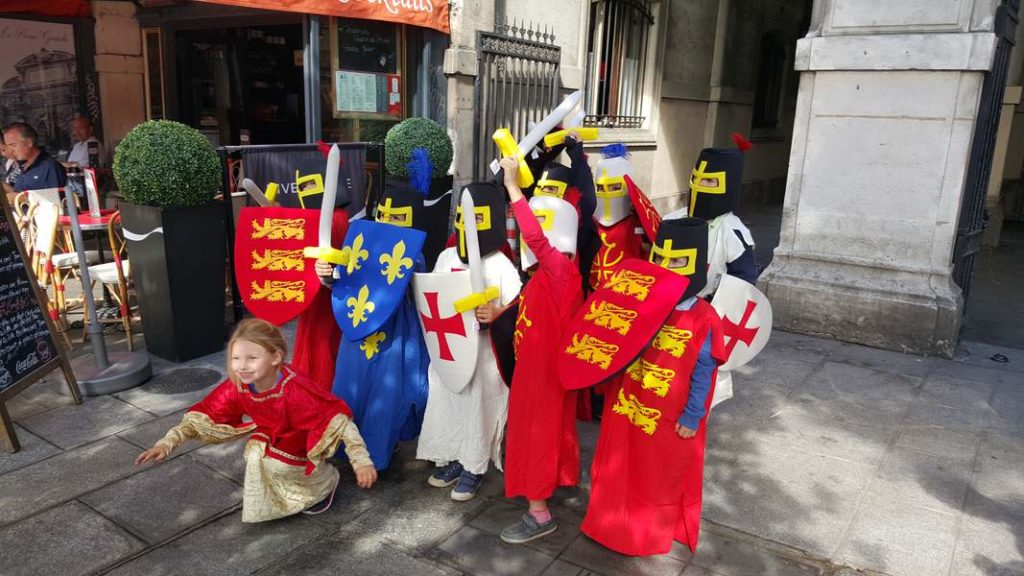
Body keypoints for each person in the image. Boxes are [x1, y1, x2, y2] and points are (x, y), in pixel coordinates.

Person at [579, 217, 725, 556]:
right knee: (617, 465)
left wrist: (693, 416)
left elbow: (704, 372)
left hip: (666, 415)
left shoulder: (704, 318)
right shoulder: (639, 302)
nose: (667, 268)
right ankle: (607, 525)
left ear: (698, 267)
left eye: (677, 261)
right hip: (627, 402)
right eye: (660, 259)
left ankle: (643, 535)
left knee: (654, 474)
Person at [134, 318, 377, 522]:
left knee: (273, 462)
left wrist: (361, 462)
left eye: (251, 358)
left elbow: (339, 421)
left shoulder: (295, 391)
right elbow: (204, 415)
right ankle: (288, 495)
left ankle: (324, 482)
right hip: (271, 436)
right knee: (256, 454)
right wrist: (166, 443)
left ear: (275, 357)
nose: (241, 366)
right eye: (235, 358)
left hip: (303, 440)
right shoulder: (238, 386)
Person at [319, 155, 432, 473]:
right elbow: (344, 281)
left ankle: (377, 455)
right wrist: (328, 273)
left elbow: (411, 283)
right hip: (357, 331)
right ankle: (344, 449)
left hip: (394, 335)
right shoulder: (361, 241)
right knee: (348, 389)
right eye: (382, 214)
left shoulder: (417, 255)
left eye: (395, 218)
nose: (385, 222)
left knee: (387, 394)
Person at [416, 182, 522, 501]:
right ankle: (452, 457)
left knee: (477, 408)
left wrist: (497, 313)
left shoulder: (501, 265)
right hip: (450, 353)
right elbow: (433, 296)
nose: (467, 224)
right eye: (462, 216)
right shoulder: (447, 256)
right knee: (449, 405)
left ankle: (473, 467)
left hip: (484, 357)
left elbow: (518, 310)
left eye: (475, 217)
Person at [498, 155, 584, 544]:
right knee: (534, 438)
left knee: (538, 439)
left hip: (544, 378)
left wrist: (514, 187)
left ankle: (539, 514)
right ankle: (542, 497)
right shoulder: (542, 276)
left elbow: (533, 237)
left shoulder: (562, 271)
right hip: (533, 374)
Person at [688, 134, 758, 297]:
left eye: (709, 181)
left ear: (728, 184)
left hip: (710, 308)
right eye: (696, 178)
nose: (700, 186)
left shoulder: (733, 232)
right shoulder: (672, 219)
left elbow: (743, 281)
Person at [3, 123, 66, 193]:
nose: (10, 151)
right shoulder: (24, 167)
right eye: (8, 146)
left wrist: (19, 198)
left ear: (29, 143)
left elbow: (54, 200)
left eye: (13, 145)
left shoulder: (49, 166)